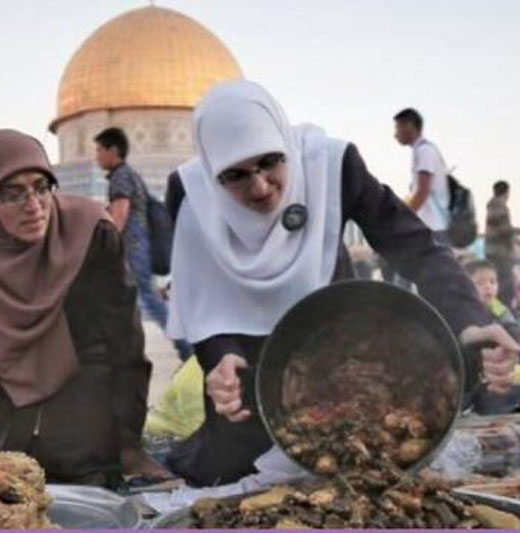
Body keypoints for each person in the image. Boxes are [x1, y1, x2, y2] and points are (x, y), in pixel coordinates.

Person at [164, 80, 520, 486]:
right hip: (249, 363)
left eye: (269, 162)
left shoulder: (328, 165)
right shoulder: (192, 193)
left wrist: (468, 317)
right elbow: (205, 296)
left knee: (358, 460)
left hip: (335, 337)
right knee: (236, 473)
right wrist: (221, 358)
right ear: (213, 175)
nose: (260, 187)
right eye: (235, 176)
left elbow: (415, 246)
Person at [0, 129, 164, 488]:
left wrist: (128, 441)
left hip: (79, 390)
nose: (34, 205)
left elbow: (125, 347)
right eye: (11, 194)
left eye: (41, 187)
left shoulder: (88, 235)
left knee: (80, 475)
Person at [95, 127, 191, 361]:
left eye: (99, 150)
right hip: (138, 245)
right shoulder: (129, 174)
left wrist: (104, 247)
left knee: (146, 297)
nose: (96, 156)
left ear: (113, 150)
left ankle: (186, 346)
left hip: (132, 247)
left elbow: (120, 216)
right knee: (126, 298)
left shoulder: (121, 177)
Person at [394, 108, 451, 245]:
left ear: (409, 126)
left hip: (433, 228)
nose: (395, 134)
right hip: (430, 227)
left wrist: (404, 220)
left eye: (398, 128)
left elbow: (422, 191)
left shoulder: (425, 151)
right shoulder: (421, 150)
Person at [466, 260, 520, 342]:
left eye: (492, 282)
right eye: (480, 283)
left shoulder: (496, 305)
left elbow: (511, 326)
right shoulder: (467, 308)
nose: (488, 287)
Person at [485, 181, 516, 309]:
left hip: (494, 252)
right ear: (506, 192)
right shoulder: (499, 205)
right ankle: (504, 317)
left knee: (500, 287)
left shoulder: (492, 205)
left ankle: (498, 314)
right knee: (506, 288)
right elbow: (504, 231)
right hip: (500, 254)